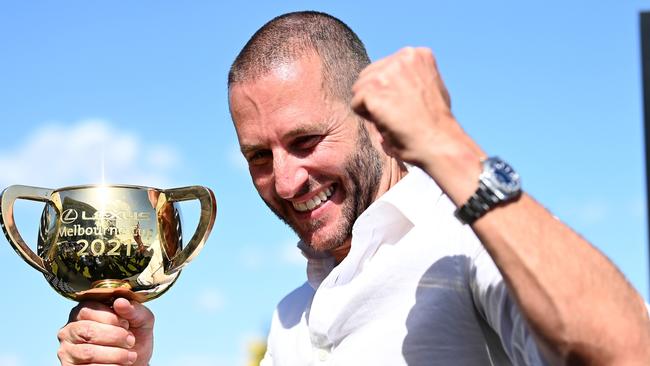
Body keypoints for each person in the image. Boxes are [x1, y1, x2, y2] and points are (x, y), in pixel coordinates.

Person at [56, 11, 650, 366]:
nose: (286, 181)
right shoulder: (292, 317)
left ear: (372, 120)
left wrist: (448, 143)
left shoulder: (465, 245)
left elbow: (627, 350)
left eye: (308, 140)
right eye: (259, 156)